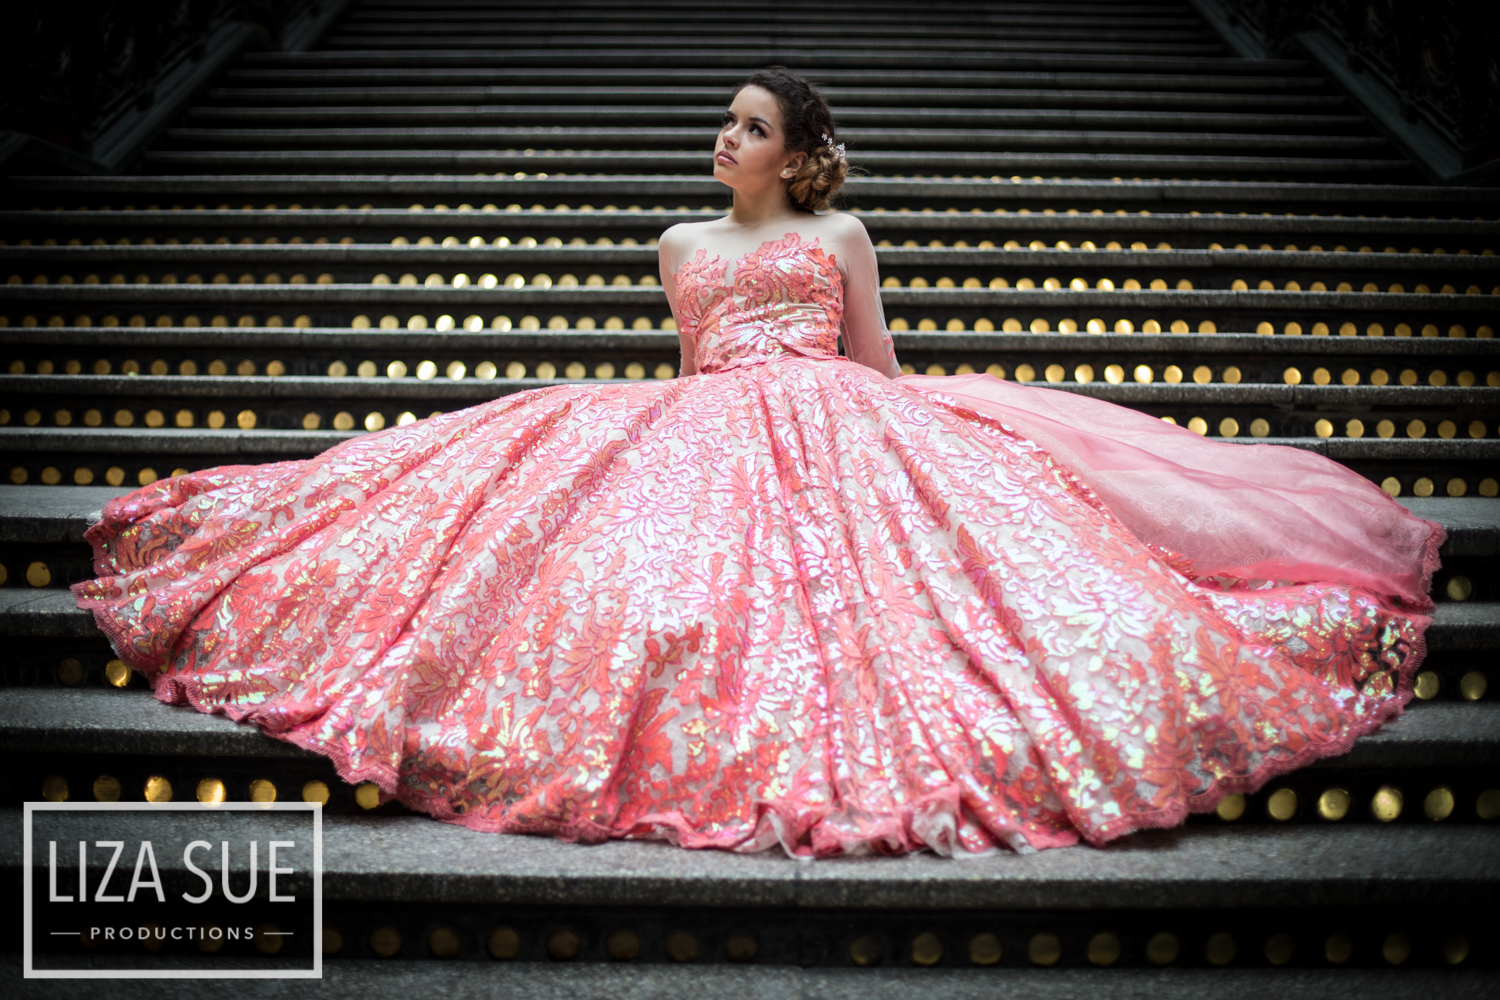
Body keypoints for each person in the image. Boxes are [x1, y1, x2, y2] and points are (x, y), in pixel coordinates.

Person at [74, 69, 1443, 858]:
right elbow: (689, 377)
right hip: (712, 422)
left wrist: (926, 441)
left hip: (844, 419)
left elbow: (881, 368)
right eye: (723, 125)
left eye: (746, 126)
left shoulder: (842, 238)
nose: (723, 139)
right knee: (626, 563)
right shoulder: (678, 245)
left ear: (794, 156)